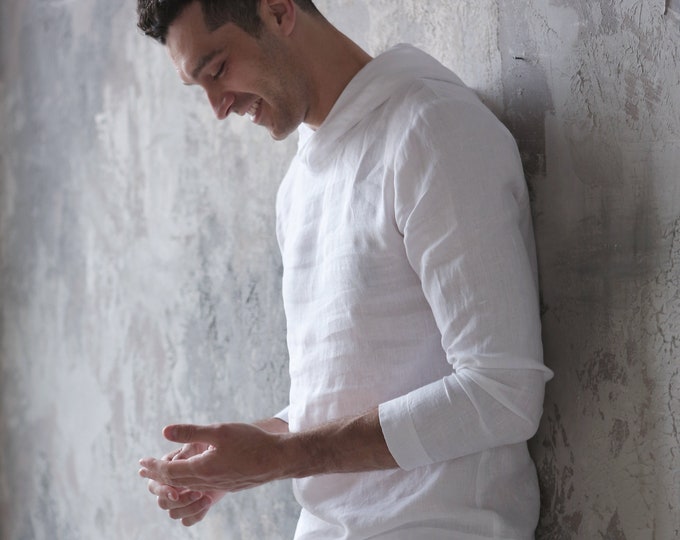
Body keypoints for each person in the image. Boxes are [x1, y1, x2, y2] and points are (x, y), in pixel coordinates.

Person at [136, 0, 554, 538]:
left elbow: (503, 394)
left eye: (217, 70)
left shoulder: (431, 127)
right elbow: (360, 390)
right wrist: (247, 453)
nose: (218, 107)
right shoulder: (297, 189)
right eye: (199, 87)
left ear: (278, 12)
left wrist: (280, 457)